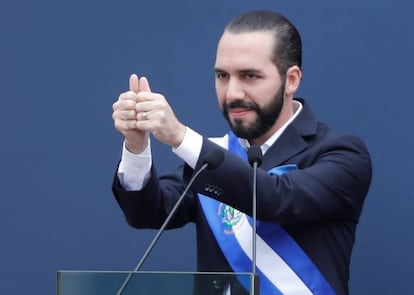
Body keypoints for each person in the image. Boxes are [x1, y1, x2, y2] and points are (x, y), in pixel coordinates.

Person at [111, 10, 372, 295]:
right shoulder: (214, 156)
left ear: (292, 80)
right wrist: (136, 145)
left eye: (250, 76)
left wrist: (180, 137)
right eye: (222, 76)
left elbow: (278, 198)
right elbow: (148, 213)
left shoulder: (342, 153)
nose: (233, 92)